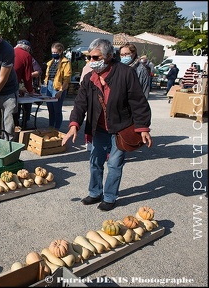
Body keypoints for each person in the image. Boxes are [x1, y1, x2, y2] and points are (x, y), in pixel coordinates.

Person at [62, 38, 152, 211]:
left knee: (114, 164)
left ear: (109, 56)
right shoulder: (89, 78)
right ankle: (95, 192)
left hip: (121, 127)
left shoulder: (126, 73)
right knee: (95, 161)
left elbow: (138, 102)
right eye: (89, 57)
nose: (91, 61)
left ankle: (110, 196)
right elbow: (80, 103)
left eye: (96, 58)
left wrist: (143, 128)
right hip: (99, 127)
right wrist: (74, 124)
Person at [43, 42, 72, 130]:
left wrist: (61, 90)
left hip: (58, 87)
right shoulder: (50, 62)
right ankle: (51, 126)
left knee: (57, 109)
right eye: (53, 52)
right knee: (50, 109)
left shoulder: (66, 63)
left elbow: (67, 78)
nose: (54, 54)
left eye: (56, 52)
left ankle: (56, 129)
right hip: (49, 86)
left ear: (60, 51)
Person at [13, 39, 35, 128]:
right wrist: (30, 90)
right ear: (28, 48)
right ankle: (14, 130)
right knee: (12, 111)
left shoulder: (10, 51)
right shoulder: (26, 55)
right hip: (12, 86)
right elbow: (27, 77)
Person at [80, 51, 93, 151]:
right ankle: (89, 141)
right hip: (89, 97)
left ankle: (88, 141)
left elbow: (81, 83)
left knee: (90, 120)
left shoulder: (87, 67)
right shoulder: (87, 68)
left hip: (90, 97)